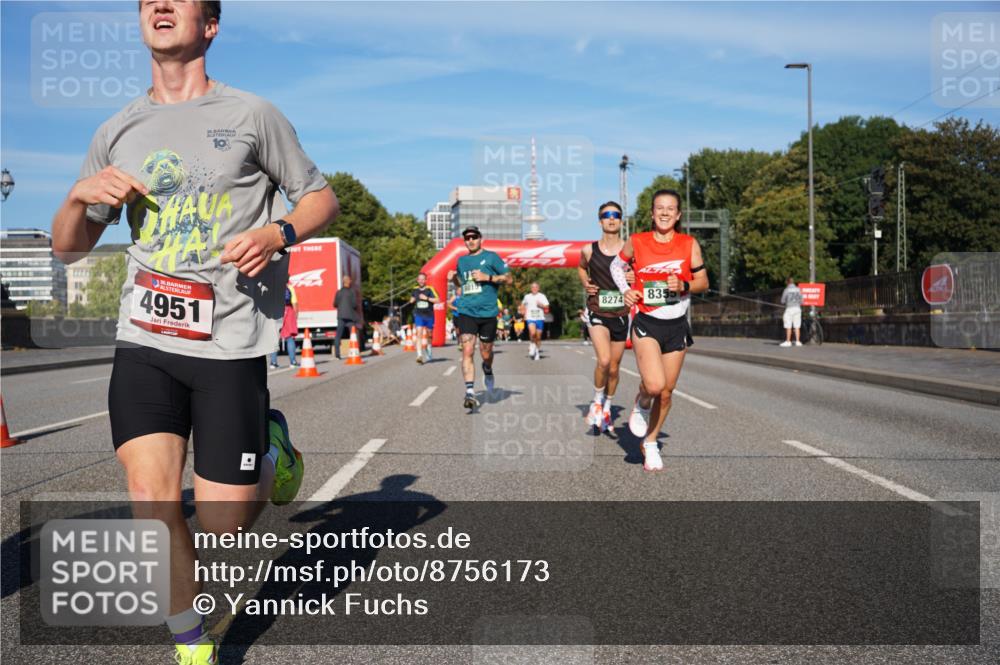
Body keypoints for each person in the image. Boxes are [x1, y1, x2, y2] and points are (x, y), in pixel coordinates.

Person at [49, 2, 339, 663]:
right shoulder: (117, 130)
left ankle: (272, 451)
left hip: (229, 342)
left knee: (222, 521)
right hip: (146, 336)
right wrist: (75, 196)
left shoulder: (251, 116)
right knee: (151, 495)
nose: (158, 5)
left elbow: (320, 197)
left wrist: (277, 231)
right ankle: (191, 644)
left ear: (209, 26)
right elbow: (69, 248)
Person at [610, 189, 708, 471]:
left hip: (677, 324)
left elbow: (703, 281)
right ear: (652, 213)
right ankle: (641, 401)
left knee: (666, 392)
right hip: (647, 321)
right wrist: (627, 290)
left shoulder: (689, 244)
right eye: (659, 208)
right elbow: (617, 266)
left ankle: (650, 442)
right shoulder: (637, 241)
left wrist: (685, 286)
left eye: (671, 208)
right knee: (653, 386)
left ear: (678, 215)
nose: (665, 213)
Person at [578, 201, 631, 433]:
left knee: (615, 368)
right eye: (606, 215)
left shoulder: (630, 250)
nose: (611, 219)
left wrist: (633, 279)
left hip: (620, 313)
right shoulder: (589, 250)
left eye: (616, 215)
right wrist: (585, 283)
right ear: (600, 221)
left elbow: (640, 273)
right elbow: (581, 268)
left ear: (621, 220)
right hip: (597, 310)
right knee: (604, 361)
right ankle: (597, 403)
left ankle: (608, 407)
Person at [448, 226, 510, 409]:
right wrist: (453, 279)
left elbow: (509, 279)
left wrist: (487, 277)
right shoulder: (462, 261)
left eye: (474, 237)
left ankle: (488, 369)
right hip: (466, 311)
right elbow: (460, 284)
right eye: (467, 238)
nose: (470, 240)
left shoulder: (492, 257)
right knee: (467, 351)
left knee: (486, 352)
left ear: (480, 238)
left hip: (488, 313)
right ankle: (469, 392)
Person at [408, 272, 440, 364]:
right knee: (419, 334)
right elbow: (412, 298)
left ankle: (429, 348)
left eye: (423, 279)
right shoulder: (414, 290)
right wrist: (412, 300)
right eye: (419, 279)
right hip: (419, 315)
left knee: (429, 334)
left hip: (429, 315)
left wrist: (427, 298)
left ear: (426, 280)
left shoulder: (430, 289)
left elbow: (438, 300)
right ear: (417, 280)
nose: (421, 281)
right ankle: (419, 355)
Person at [269, 284, 299, 369]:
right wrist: (295, 316)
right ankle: (293, 362)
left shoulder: (273, 287)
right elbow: (295, 303)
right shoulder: (289, 288)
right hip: (288, 310)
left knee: (275, 337)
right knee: (290, 337)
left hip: (276, 311)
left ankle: (273, 362)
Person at [520, 282, 550, 360]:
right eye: (533, 287)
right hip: (530, 317)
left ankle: (536, 351)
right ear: (531, 288)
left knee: (538, 337)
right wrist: (523, 312)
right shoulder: (527, 296)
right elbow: (522, 304)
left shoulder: (542, 296)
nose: (534, 289)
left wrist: (541, 305)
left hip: (540, 318)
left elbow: (547, 306)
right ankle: (532, 345)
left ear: (538, 288)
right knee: (532, 333)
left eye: (536, 287)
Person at [333, 274, 359, 360]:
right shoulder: (352, 292)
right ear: (347, 281)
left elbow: (335, 304)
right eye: (350, 280)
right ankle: (354, 351)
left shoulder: (338, 292)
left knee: (338, 335)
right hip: (350, 316)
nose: (351, 281)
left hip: (341, 316)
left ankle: (337, 354)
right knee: (353, 335)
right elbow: (355, 304)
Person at [780, 277, 803, 347]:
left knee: (788, 325)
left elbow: (782, 301)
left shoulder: (786, 290)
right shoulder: (798, 289)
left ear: (787, 282)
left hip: (789, 308)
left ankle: (788, 341)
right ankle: (798, 341)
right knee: (797, 325)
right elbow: (802, 300)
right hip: (797, 308)